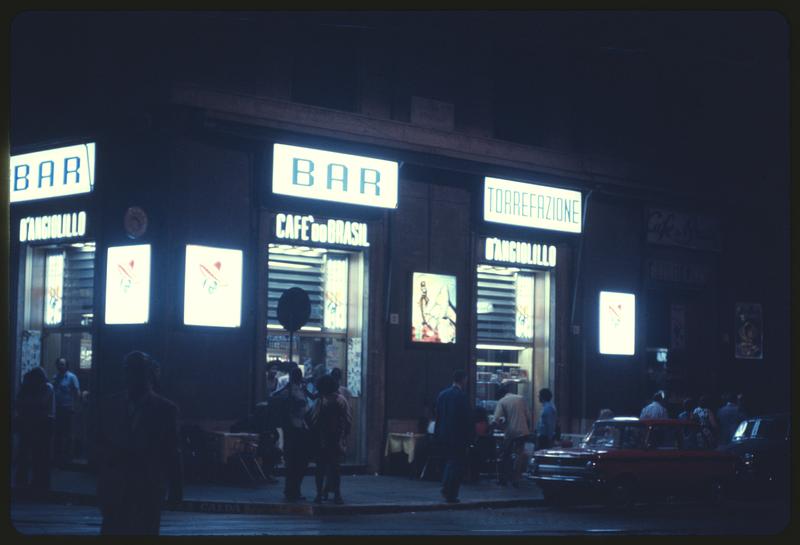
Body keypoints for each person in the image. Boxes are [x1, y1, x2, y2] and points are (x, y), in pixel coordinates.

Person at [96, 352, 183, 535]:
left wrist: (176, 489)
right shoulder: (110, 405)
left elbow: (172, 451)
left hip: (147, 488)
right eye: (130, 371)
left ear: (150, 376)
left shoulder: (166, 410)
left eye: (139, 372)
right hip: (116, 486)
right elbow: (100, 443)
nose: (133, 377)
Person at [310, 374, 352, 504]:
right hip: (335, 437)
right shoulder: (341, 399)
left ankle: (319, 494)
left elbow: (314, 419)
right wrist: (345, 436)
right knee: (335, 467)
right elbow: (348, 419)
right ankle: (337, 494)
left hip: (321, 438)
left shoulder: (320, 400)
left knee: (320, 468)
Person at [434, 369, 473, 503]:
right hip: (458, 435)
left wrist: (437, 434)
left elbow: (437, 416)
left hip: (444, 435)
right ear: (463, 379)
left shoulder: (442, 395)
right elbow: (466, 419)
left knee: (450, 461)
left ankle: (446, 488)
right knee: (456, 464)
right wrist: (470, 437)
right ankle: (450, 491)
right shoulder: (461, 396)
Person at [274, 366, 311, 502]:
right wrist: (293, 404)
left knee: (298, 463)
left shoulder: (299, 388)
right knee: (295, 462)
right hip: (293, 428)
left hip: (300, 426)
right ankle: (292, 490)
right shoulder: (288, 390)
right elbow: (276, 397)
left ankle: (294, 490)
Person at [14, 367, 55, 490]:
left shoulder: (46, 387)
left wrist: (26, 403)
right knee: (30, 453)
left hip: (40, 422)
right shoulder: (39, 388)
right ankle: (30, 481)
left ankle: (37, 481)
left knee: (38, 453)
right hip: (36, 422)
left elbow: (40, 402)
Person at [493, 385, 531, 486]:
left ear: (500, 395)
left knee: (506, 455)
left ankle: (504, 478)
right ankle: (516, 478)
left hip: (510, 432)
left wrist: (500, 427)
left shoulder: (502, 401)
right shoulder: (521, 398)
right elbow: (528, 417)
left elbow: (497, 419)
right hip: (523, 431)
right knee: (519, 455)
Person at [51, 357, 81, 467]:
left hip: (68, 409)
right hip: (57, 409)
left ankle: (68, 457)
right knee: (57, 434)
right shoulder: (55, 377)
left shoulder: (72, 377)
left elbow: (77, 392)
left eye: (62, 364)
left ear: (66, 366)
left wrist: (76, 407)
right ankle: (57, 457)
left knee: (67, 434)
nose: (60, 366)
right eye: (59, 364)